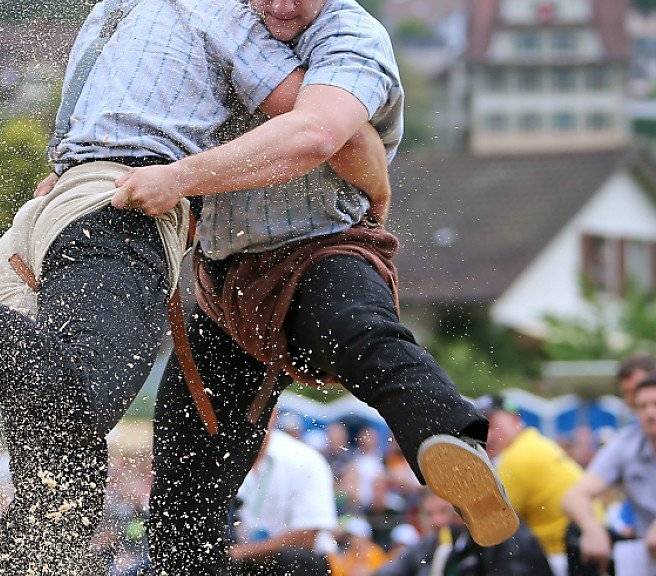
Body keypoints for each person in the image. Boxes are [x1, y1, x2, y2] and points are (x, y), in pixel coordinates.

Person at [0, 0, 391, 572]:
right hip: (106, 219)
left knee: (56, 513)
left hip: (42, 235)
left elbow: (70, 142)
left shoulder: (116, 18)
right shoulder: (218, 15)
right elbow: (322, 129)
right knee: (80, 409)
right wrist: (378, 190)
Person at [140, 0, 517, 570]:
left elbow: (315, 134)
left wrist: (177, 178)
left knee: (365, 338)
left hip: (321, 250)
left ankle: (453, 441)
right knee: (183, 478)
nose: (282, 6)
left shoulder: (351, 35)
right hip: (226, 285)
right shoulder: (206, 27)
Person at [478, 394, 584, 576]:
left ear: (515, 420)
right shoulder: (533, 442)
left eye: (493, 425)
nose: (487, 436)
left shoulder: (516, 459)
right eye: (480, 428)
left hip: (560, 556)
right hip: (577, 547)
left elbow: (488, 524)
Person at [562, 375, 656, 576]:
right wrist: (592, 529)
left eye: (655, 404)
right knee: (577, 533)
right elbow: (573, 496)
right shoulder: (627, 442)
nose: (650, 412)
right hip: (643, 548)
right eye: (642, 406)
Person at [230, 415, 336, 575]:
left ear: (274, 414)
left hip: (295, 564)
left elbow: (307, 537)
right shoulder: (220, 456)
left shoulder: (304, 458)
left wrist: (239, 552)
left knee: (296, 560)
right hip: (243, 559)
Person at [375, 492, 552, 576]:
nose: (437, 521)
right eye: (429, 514)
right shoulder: (433, 544)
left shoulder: (503, 535)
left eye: (444, 511)